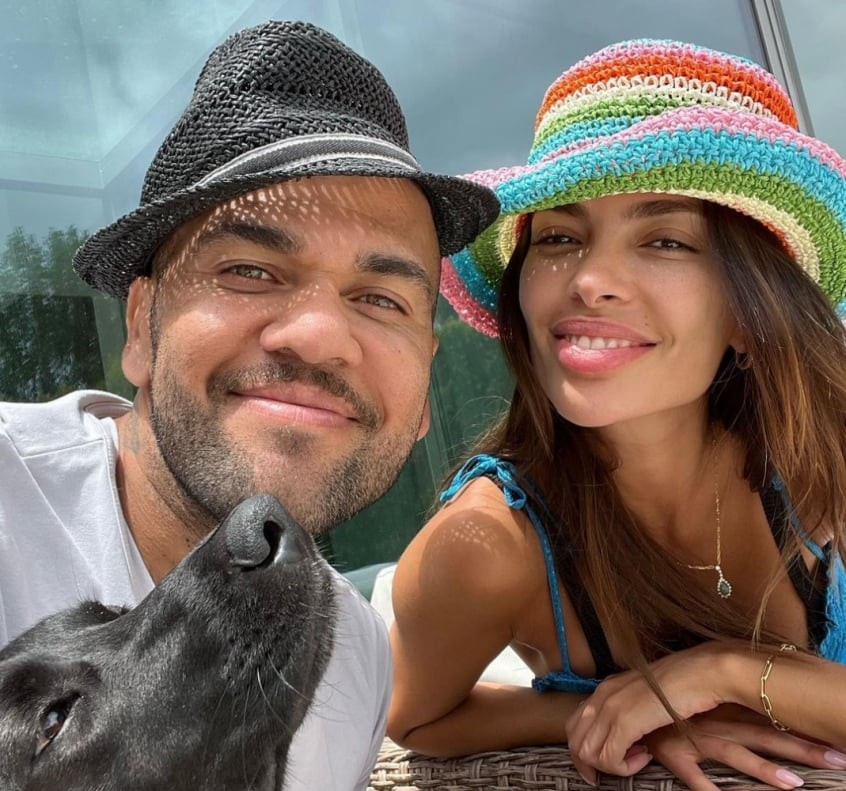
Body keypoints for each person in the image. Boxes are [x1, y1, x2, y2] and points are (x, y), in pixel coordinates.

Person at [0, 20, 498, 791]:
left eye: (379, 298)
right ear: (141, 326)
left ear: (426, 388)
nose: (320, 336)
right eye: (251, 270)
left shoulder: (356, 654)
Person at [388, 38, 846, 791]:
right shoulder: (486, 547)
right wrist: (633, 712)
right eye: (559, 238)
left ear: (749, 312)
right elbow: (414, 718)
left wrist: (726, 673)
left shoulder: (819, 457)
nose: (591, 279)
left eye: (664, 239)